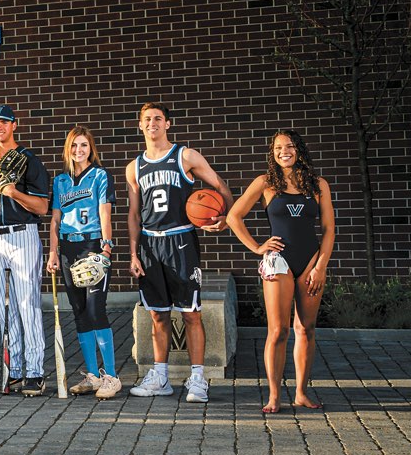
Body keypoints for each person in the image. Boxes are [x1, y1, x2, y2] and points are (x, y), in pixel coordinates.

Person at [126, 102, 232, 403]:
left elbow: (221, 186)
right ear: (140, 125)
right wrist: (133, 253)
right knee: (157, 315)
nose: (152, 123)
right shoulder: (134, 167)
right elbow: (134, 214)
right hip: (150, 244)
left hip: (180, 240)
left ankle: (197, 379)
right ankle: (160, 377)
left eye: (158, 119)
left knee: (191, 313)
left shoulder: (185, 156)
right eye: (147, 119)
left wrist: (226, 217)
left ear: (167, 124)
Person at [226, 130, 335, 413]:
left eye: (289, 146)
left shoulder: (318, 184)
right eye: (278, 148)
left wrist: (320, 266)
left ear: (299, 150)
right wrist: (256, 247)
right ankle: (274, 396)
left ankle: (301, 393)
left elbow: (328, 229)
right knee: (278, 331)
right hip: (279, 261)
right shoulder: (265, 183)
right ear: (272, 153)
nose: (283, 151)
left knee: (306, 328)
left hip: (310, 261)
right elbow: (233, 216)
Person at [0, 105, 52, 395]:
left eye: (4, 122)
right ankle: (14, 371)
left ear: (14, 125)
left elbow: (42, 207)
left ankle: (35, 372)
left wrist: (15, 192)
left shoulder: (29, 160)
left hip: (23, 235)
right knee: (4, 310)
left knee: (27, 305)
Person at [45, 126, 120, 398]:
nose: (79, 150)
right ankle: (93, 376)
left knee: (96, 309)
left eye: (84, 145)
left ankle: (111, 376)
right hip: (68, 248)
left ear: (91, 149)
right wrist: (53, 252)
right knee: (79, 311)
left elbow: (105, 213)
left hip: (92, 245)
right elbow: (55, 219)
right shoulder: (60, 181)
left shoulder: (100, 175)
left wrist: (106, 248)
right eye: (74, 145)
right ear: (68, 149)